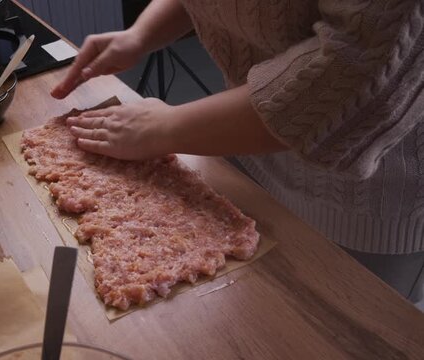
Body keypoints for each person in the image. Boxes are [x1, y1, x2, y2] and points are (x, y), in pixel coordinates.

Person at [50, 0, 424, 305]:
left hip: (367, 199)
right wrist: (140, 34)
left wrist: (163, 128)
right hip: (240, 143)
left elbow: (359, 69)